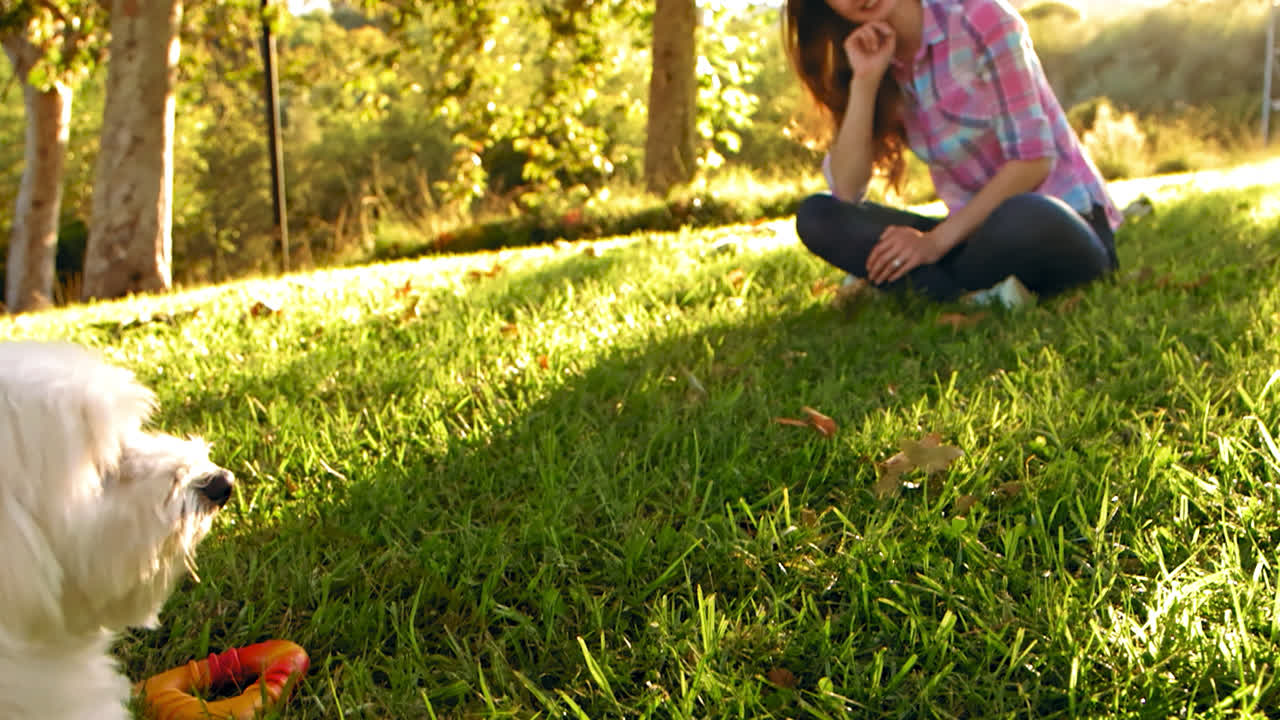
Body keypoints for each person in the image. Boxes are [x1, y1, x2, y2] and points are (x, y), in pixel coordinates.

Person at [784, 0, 1122, 305]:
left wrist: (933, 243)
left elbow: (1033, 162)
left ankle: (922, 287)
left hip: (1057, 223)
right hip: (967, 240)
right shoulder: (866, 51)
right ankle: (975, 292)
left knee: (1023, 214)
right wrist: (865, 80)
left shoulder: (981, 17)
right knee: (818, 215)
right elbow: (845, 189)